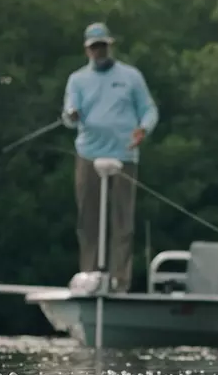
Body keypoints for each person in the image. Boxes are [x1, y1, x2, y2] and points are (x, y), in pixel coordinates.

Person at [61, 22, 159, 292]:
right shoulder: (77, 79)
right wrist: (71, 115)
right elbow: (69, 113)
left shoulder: (131, 76)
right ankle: (89, 276)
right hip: (88, 154)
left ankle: (120, 280)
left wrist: (144, 129)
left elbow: (149, 109)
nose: (99, 51)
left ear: (110, 45)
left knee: (122, 220)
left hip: (124, 155)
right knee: (88, 219)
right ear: (86, 50)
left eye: (102, 46)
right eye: (94, 47)